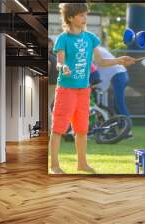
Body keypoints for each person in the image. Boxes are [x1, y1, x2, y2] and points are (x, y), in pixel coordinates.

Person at [49, 3, 135, 174]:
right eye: (81, 15)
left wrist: (119, 60)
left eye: (85, 15)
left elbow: (101, 62)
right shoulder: (63, 39)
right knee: (58, 128)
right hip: (66, 90)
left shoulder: (90, 38)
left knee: (81, 129)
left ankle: (82, 164)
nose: (84, 18)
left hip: (84, 90)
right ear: (71, 18)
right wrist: (63, 67)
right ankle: (54, 165)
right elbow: (59, 61)